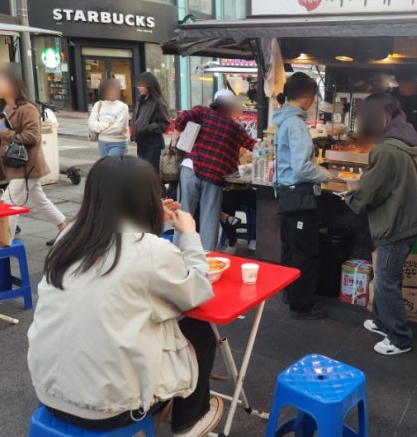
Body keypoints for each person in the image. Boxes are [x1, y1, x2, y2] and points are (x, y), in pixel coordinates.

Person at [28, 156, 223, 437]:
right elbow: (197, 291)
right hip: (109, 408)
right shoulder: (150, 251)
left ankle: (146, 428)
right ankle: (187, 424)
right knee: (199, 329)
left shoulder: (68, 236)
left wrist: (151, 227)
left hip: (50, 395)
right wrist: (189, 234)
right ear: (145, 198)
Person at [345, 93, 417, 355]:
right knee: (387, 276)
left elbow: (369, 191)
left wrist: (349, 195)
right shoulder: (409, 138)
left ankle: (399, 337)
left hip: (394, 223)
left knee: (386, 281)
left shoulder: (386, 149)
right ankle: (382, 322)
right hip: (409, 219)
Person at [273, 73, 333, 320]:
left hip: (286, 195)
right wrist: (325, 175)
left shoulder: (283, 120)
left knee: (290, 248)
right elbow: (302, 168)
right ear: (308, 97)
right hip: (298, 196)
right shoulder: (296, 124)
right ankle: (302, 304)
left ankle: (290, 292)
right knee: (305, 252)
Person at [171, 89, 256, 251]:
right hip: (214, 175)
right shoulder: (235, 128)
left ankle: (176, 254)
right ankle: (207, 259)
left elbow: (182, 118)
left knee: (183, 214)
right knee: (209, 219)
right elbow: (254, 146)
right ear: (230, 107)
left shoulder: (202, 112)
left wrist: (175, 138)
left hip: (191, 168)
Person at [0, 68, 66, 244]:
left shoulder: (27, 108)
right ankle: (65, 229)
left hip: (27, 166)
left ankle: (4, 240)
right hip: (13, 165)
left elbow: (31, 137)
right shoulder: (3, 108)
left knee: (9, 202)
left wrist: (6, 132)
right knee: (40, 200)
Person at [132, 72, 170, 174]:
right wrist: (135, 131)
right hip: (141, 141)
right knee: (142, 172)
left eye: (141, 85)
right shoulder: (140, 101)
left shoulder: (159, 102)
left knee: (151, 173)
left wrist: (148, 128)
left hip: (153, 142)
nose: (138, 87)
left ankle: (156, 190)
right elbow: (137, 119)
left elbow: (165, 124)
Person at [88, 78, 130, 157]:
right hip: (102, 143)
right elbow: (91, 124)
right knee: (106, 168)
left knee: (113, 167)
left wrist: (99, 129)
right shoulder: (98, 104)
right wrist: (106, 125)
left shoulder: (122, 107)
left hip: (118, 143)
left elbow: (118, 129)